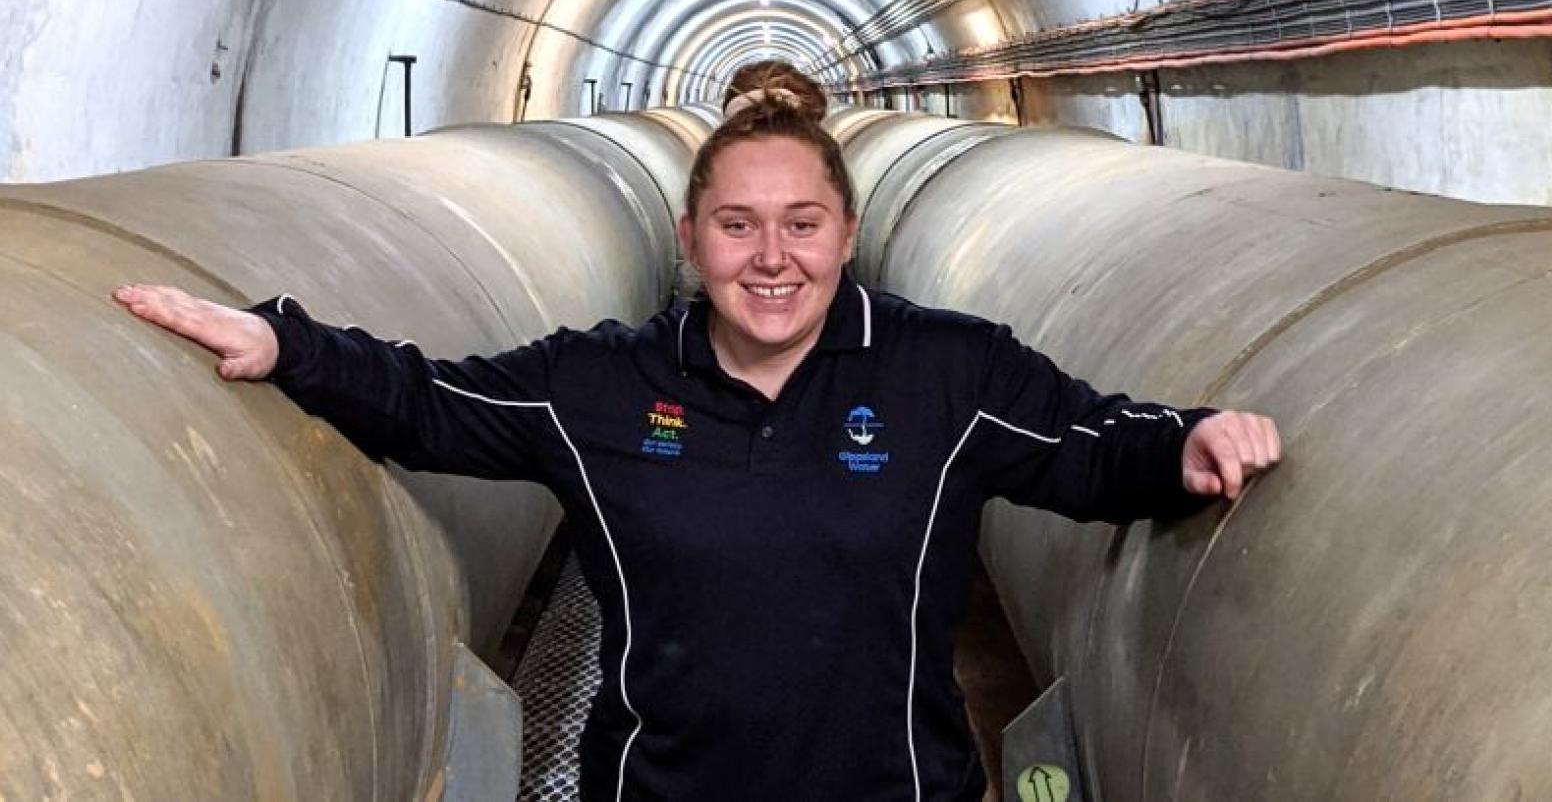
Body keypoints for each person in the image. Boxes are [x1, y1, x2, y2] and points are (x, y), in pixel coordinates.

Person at [113, 62, 1280, 801]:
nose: (770, 256)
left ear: (846, 229)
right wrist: (284, 342)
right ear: (689, 236)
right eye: (737, 225)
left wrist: (1185, 439)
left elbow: (1085, 442)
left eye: (800, 222)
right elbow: (429, 400)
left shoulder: (945, 368)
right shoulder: (601, 387)